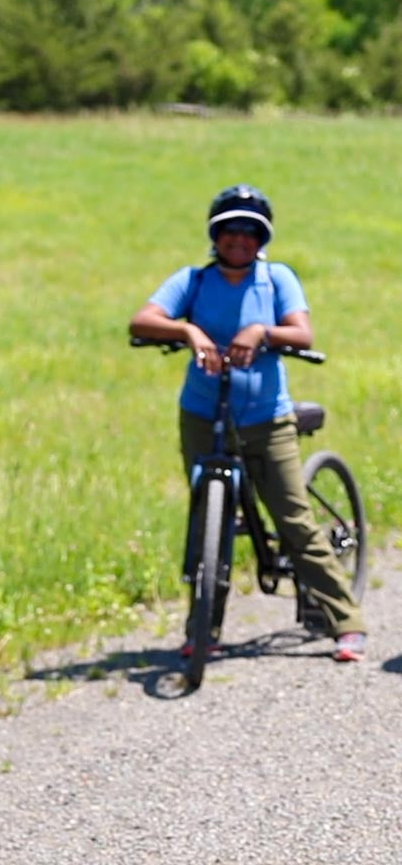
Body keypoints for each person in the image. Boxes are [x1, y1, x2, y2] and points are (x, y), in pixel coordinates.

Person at [128, 184, 366, 663]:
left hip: (265, 418)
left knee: (293, 519)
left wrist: (261, 330)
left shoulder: (276, 280)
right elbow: (141, 321)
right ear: (215, 236)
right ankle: (203, 630)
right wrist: (188, 330)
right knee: (206, 524)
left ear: (262, 239)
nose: (238, 239)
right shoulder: (192, 281)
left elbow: (303, 332)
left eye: (249, 231)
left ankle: (346, 621)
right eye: (229, 230)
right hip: (202, 414)